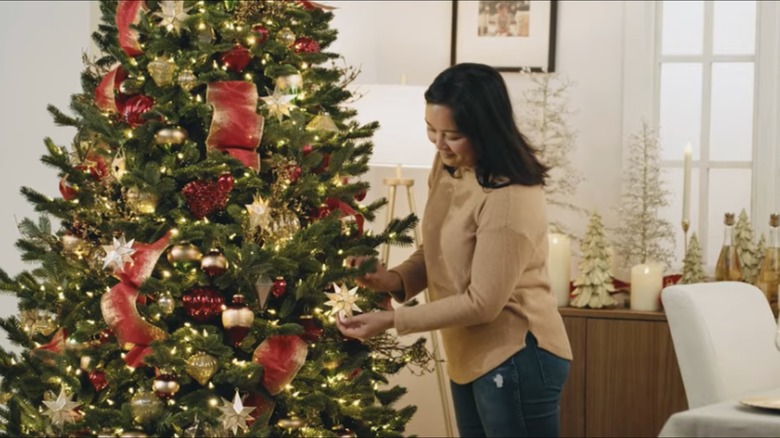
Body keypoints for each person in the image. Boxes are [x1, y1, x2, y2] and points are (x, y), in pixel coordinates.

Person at [337, 63, 573, 437]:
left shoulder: (509, 196)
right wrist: (391, 279)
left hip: (516, 355)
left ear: (485, 131)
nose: (439, 144)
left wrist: (392, 321)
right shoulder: (449, 166)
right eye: (431, 130)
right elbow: (439, 251)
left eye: (453, 135)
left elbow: (482, 302)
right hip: (468, 354)